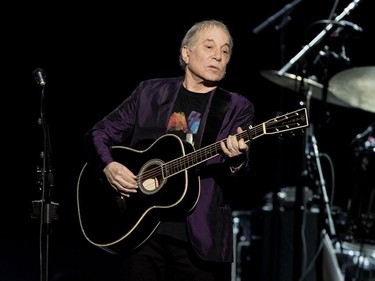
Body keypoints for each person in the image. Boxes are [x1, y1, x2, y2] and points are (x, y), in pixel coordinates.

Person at [82, 19, 255, 281]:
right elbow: (99, 133)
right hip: (140, 231)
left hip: (199, 241)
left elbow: (241, 177)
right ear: (187, 53)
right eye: (209, 47)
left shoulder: (235, 106)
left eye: (225, 50)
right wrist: (109, 166)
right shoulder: (150, 92)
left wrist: (237, 159)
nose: (218, 56)